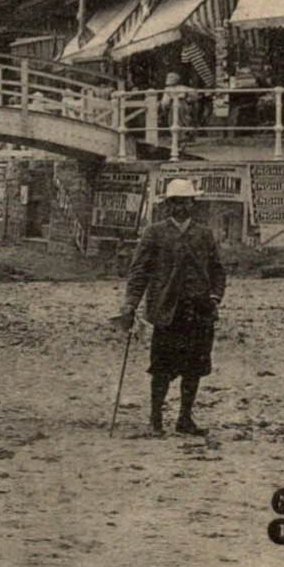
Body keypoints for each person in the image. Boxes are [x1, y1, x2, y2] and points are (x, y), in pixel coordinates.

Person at [117, 178, 227, 437]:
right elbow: (139, 272)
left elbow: (217, 270)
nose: (181, 206)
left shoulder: (204, 233)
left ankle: (185, 418)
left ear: (193, 203)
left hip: (199, 309)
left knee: (195, 367)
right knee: (162, 367)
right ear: (168, 204)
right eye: (176, 202)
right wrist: (130, 304)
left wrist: (214, 297)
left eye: (186, 201)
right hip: (167, 311)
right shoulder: (154, 233)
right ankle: (156, 419)